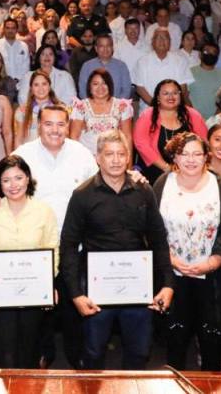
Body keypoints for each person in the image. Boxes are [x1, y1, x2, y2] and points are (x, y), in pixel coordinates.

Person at [60, 130, 175, 370]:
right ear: (98, 158)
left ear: (128, 157)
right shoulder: (82, 195)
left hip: (138, 288)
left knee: (140, 352)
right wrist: (76, 294)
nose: (115, 160)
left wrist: (167, 284)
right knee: (93, 353)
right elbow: (69, 246)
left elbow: (158, 239)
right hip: (96, 291)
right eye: (109, 154)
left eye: (121, 154)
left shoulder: (144, 191)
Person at [12, 104, 99, 368]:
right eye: (49, 124)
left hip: (74, 245)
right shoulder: (22, 155)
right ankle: (43, 353)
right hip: (35, 246)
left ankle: (76, 357)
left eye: (61, 124)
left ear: (68, 126)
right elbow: (4, 187)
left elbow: (100, 187)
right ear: (39, 125)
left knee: (73, 304)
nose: (55, 130)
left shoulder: (81, 154)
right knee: (40, 307)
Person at [153, 132, 221, 370]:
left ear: (206, 157)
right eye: (184, 154)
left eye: (197, 154)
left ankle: (211, 378)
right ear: (175, 157)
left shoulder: (220, 187)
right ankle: (174, 379)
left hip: (211, 276)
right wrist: (169, 259)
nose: (190, 160)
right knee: (175, 337)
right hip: (172, 274)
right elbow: (150, 227)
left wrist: (213, 262)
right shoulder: (162, 184)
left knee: (211, 337)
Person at [0, 156, 59, 369]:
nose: (13, 185)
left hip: (34, 294)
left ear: (28, 178)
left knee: (30, 351)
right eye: (6, 180)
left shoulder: (44, 211)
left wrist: (48, 284)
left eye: (18, 178)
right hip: (0, 295)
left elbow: (52, 250)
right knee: (5, 355)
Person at [133, 79, 208, 183]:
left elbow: (204, 142)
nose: (171, 97)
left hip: (188, 170)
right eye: (166, 93)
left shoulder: (192, 115)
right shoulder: (148, 115)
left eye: (175, 93)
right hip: (154, 171)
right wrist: (166, 168)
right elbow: (141, 144)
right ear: (158, 97)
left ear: (180, 95)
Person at [69, 69, 134, 154]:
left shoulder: (122, 106)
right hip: (87, 157)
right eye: (95, 84)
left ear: (110, 85)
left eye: (104, 83)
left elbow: (127, 137)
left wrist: (128, 161)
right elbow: (74, 137)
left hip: (114, 156)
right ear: (89, 87)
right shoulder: (80, 107)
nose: (100, 87)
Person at [133, 28, 195, 112]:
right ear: (153, 42)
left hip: (173, 110)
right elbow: (140, 88)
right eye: (158, 37)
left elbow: (183, 87)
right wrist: (156, 106)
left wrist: (170, 106)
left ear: (170, 42)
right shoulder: (142, 61)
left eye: (165, 37)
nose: (162, 40)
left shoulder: (180, 61)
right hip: (149, 110)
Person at [76, 34, 132, 100]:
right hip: (92, 105)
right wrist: (93, 104)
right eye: (102, 46)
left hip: (117, 105)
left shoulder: (121, 66)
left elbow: (126, 90)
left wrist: (115, 105)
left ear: (112, 48)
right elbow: (83, 91)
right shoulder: (87, 66)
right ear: (96, 48)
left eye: (108, 46)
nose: (105, 49)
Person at [14, 70, 60, 148]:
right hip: (30, 154)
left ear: (49, 87)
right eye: (36, 85)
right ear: (31, 89)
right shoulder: (22, 111)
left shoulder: (60, 110)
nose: (40, 88)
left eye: (44, 84)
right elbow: (18, 140)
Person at [190, 40, 221, 119]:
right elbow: (184, 96)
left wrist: (214, 119)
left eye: (214, 52)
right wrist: (194, 116)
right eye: (206, 51)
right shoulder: (190, 72)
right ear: (200, 54)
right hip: (193, 119)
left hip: (217, 119)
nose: (210, 54)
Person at [0, 18, 32, 84]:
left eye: (13, 28)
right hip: (0, 84)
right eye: (7, 28)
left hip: (21, 84)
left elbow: (26, 67)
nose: (10, 30)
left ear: (17, 30)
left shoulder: (24, 46)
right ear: (4, 29)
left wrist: (17, 80)